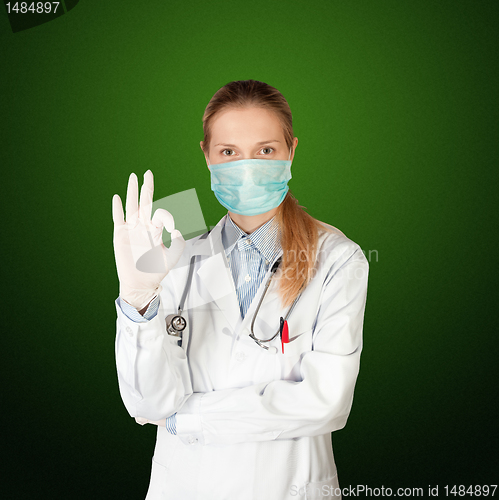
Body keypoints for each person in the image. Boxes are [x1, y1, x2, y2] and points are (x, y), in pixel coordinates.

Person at [112, 79, 369, 500]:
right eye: (228, 152)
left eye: (265, 150)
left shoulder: (337, 257)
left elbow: (328, 401)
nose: (246, 167)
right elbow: (147, 405)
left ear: (291, 151)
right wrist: (137, 300)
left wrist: (190, 419)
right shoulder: (173, 245)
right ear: (207, 156)